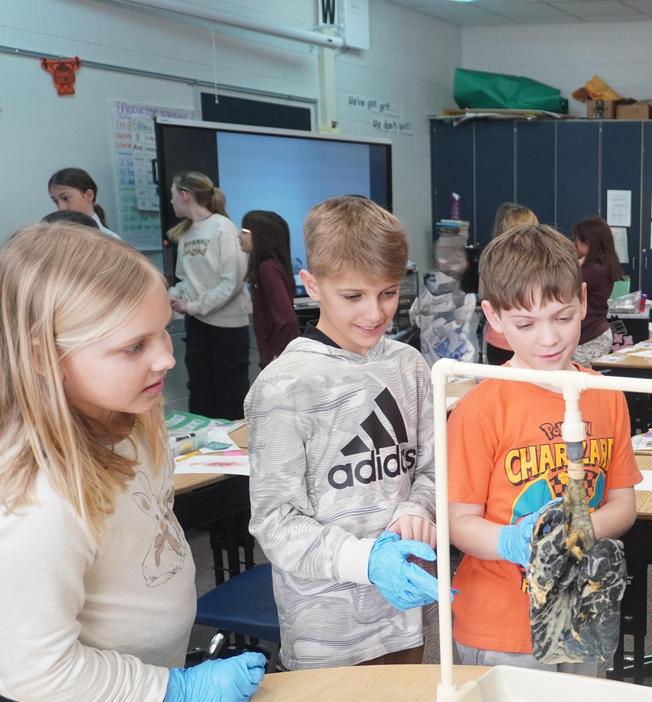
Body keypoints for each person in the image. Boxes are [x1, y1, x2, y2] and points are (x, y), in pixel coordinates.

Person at [0, 222, 264, 702]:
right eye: (134, 346)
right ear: (45, 357)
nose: (166, 358)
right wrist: (171, 689)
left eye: (163, 331)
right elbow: (36, 672)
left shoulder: (134, 420)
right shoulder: (40, 502)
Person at [247, 196, 439, 670]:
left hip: (408, 614)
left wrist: (417, 508)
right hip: (328, 630)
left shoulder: (408, 366)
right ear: (311, 285)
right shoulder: (284, 385)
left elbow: (435, 469)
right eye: (352, 296)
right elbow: (276, 522)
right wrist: (366, 560)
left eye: (388, 293)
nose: (374, 313)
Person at [446, 223, 640, 672]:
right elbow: (459, 523)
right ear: (494, 318)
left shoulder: (607, 395)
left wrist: (582, 529)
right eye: (526, 324)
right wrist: (518, 542)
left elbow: (624, 503)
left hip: (581, 613)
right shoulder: (480, 409)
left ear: (584, 303)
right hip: (502, 630)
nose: (549, 338)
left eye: (562, 317)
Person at [165, 171, 250, 420]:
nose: (171, 202)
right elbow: (184, 279)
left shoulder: (223, 227)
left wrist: (193, 306)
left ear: (184, 196)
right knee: (199, 390)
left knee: (230, 394)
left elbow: (231, 282)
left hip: (227, 328)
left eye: (173, 196)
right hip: (198, 325)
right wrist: (172, 296)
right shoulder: (186, 233)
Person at [239, 210, 299, 368]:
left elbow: (286, 319)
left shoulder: (268, 269)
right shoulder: (269, 267)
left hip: (277, 357)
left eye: (245, 231)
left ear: (261, 235)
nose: (239, 236)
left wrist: (281, 355)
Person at [482, 202, 539, 365]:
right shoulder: (541, 262)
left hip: (499, 338)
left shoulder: (493, 258)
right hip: (528, 339)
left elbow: (485, 294)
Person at [571, 216, 625, 367]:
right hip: (595, 332)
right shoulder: (602, 265)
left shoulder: (592, 271)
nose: (574, 244)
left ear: (587, 243)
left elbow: (561, 281)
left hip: (591, 337)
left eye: (577, 240)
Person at [47, 167, 120, 239]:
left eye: (65, 198)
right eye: (56, 201)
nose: (61, 208)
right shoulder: (56, 237)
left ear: (89, 195)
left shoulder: (110, 240)